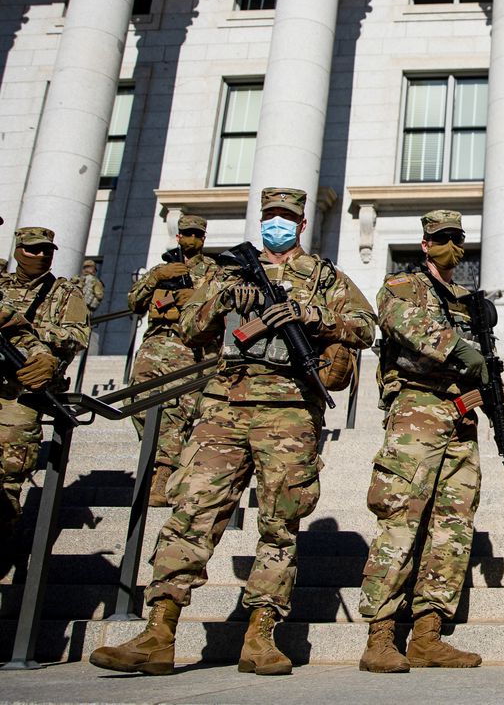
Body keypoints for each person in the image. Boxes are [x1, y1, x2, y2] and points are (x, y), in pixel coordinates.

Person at [91, 187, 376, 677]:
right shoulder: (228, 271)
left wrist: (313, 316)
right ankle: (159, 629)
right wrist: (222, 299)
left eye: (287, 217)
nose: (278, 225)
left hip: (288, 412)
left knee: (279, 524)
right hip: (224, 405)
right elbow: (188, 328)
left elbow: (367, 326)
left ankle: (261, 634)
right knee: (192, 514)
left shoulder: (325, 277)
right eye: (270, 217)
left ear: (302, 224)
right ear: (260, 220)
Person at [357, 209, 504, 673]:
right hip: (417, 410)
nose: (451, 245)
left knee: (453, 526)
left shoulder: (471, 300)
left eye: (457, 237)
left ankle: (428, 634)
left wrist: (499, 406)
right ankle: (381, 635)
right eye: (441, 237)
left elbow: (486, 360)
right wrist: (457, 349)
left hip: (463, 417)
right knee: (401, 519)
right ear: (425, 243)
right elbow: (405, 326)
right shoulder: (401, 286)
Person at [0, 223, 88, 546]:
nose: (39, 255)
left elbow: (77, 336)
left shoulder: (64, 292)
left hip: (25, 393)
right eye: (32, 249)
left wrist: (42, 350)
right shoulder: (1, 284)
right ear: (17, 250)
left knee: (8, 478)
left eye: (46, 250)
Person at [125, 214, 222, 505]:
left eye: (197, 234)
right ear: (177, 236)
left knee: (175, 410)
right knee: (137, 404)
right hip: (155, 344)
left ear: (203, 239)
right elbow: (134, 302)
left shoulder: (213, 271)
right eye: (186, 234)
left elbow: (222, 307)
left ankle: (163, 473)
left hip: (189, 347)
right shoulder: (162, 269)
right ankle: (162, 460)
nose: (191, 239)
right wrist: (155, 278)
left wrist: (194, 297)